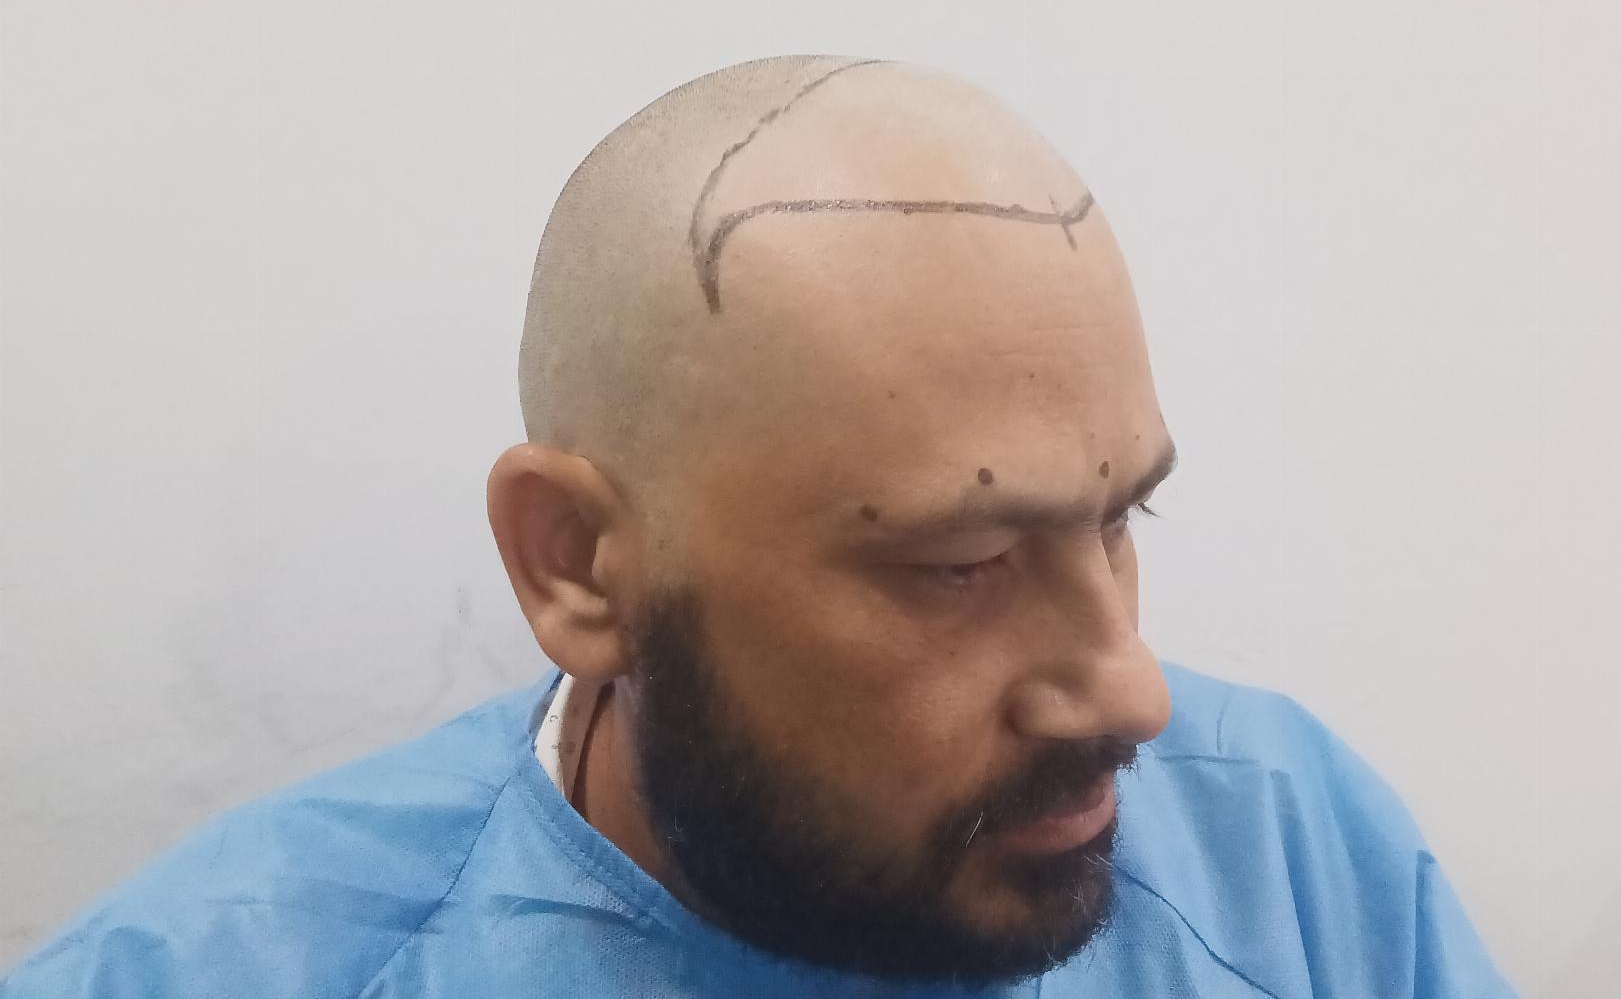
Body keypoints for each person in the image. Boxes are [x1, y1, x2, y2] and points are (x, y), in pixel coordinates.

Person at [5, 57, 1519, 997]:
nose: (1131, 692)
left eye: (1124, 517)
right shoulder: (221, 971)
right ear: (577, 565)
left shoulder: (1288, 849)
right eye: (961, 566)